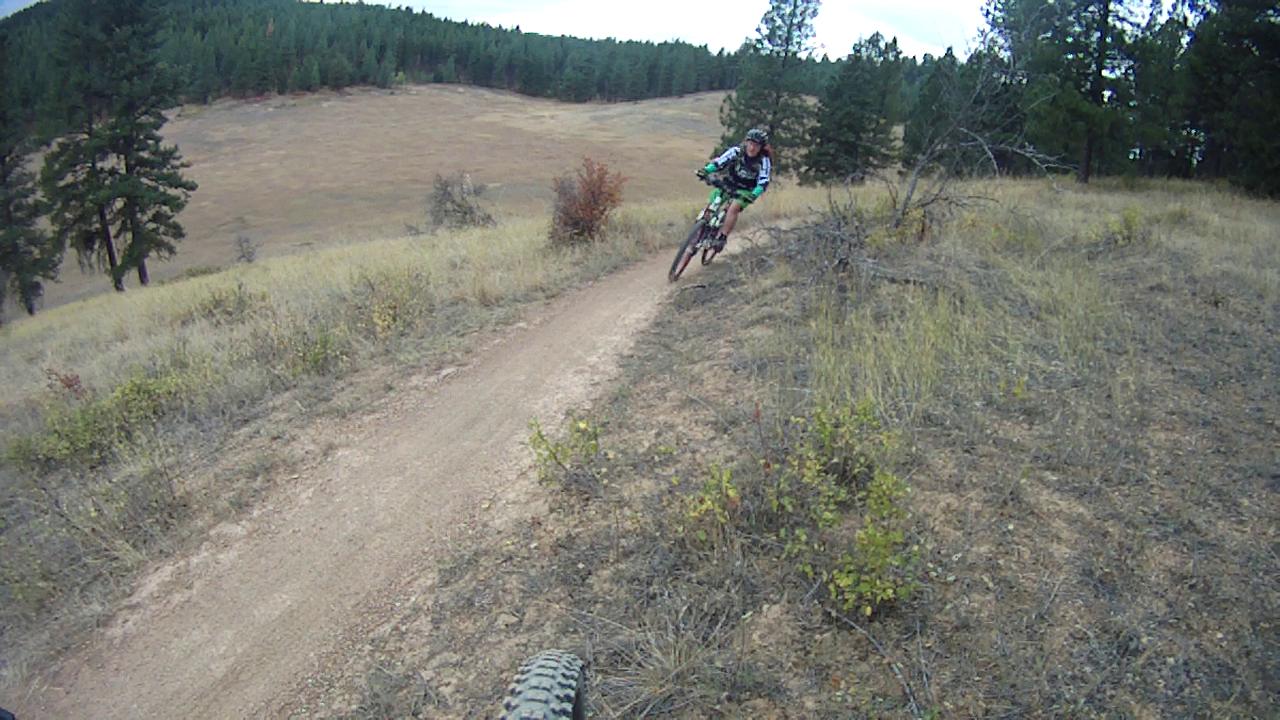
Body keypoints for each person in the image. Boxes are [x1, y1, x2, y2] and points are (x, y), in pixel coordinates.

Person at [696, 127, 772, 252]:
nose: (752, 148)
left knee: (734, 207)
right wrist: (706, 170)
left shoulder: (763, 161)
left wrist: (754, 194)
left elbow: (764, 181)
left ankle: (722, 237)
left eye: (756, 146)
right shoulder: (736, 152)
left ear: (761, 148)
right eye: (751, 144)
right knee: (714, 201)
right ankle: (701, 229)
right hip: (729, 182)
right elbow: (719, 162)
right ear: (746, 142)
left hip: (746, 190)